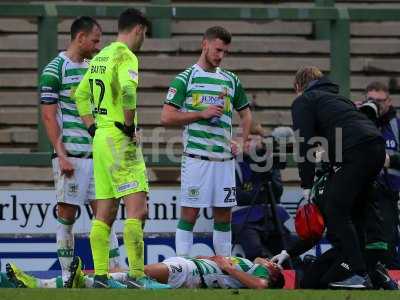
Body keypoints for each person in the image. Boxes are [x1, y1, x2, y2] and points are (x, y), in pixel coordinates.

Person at [75, 9, 166, 289]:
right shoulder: (126, 55)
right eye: (145, 35)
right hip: (119, 138)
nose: (144, 41)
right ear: (138, 29)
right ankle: (138, 276)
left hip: (100, 138)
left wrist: (93, 128)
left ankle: (100, 276)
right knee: (138, 211)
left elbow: (80, 95)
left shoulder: (99, 57)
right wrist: (128, 127)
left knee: (105, 212)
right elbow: (128, 91)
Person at [39, 16, 122, 285]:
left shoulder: (94, 68)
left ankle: (113, 271)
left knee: (105, 215)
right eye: (95, 40)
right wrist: (61, 154)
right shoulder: (55, 69)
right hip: (71, 156)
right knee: (67, 216)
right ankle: (66, 277)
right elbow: (49, 117)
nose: (98, 46)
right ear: (81, 37)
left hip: (96, 156)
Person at [291, 66, 386, 289]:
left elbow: (304, 142)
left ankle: (358, 273)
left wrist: (306, 185)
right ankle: (370, 272)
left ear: (298, 87)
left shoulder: (304, 100)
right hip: (376, 148)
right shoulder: (338, 100)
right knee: (357, 210)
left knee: (336, 209)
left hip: (356, 151)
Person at [161, 26, 252, 257]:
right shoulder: (185, 78)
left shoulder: (231, 80)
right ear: (205, 44)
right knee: (190, 214)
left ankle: (224, 269)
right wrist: (200, 114)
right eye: (217, 49)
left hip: (224, 162)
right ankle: (182, 267)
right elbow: (167, 116)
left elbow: (246, 114)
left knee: (224, 215)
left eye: (224, 52)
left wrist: (241, 141)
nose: (220, 56)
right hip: (196, 160)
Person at [6, 255, 284, 290]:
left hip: (189, 272)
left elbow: (260, 285)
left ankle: (44, 283)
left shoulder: (258, 272)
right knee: (126, 273)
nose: (270, 261)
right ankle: (44, 284)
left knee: (132, 271)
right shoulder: (250, 263)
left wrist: (226, 266)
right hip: (189, 267)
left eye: (273, 265)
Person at [232, 123, 297, 262]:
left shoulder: (269, 159)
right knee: (255, 251)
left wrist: (262, 160)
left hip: (272, 216)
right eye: (245, 139)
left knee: (288, 253)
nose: (247, 144)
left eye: (251, 139)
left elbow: (277, 192)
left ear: (262, 140)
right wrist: (260, 193)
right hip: (244, 218)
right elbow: (236, 196)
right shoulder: (233, 162)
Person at [365, 81, 400, 268]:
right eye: (372, 100)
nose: (377, 104)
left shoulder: (396, 125)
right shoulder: (358, 121)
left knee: (387, 241)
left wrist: (390, 160)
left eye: (380, 100)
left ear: (389, 101)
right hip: (362, 192)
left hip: (389, 194)